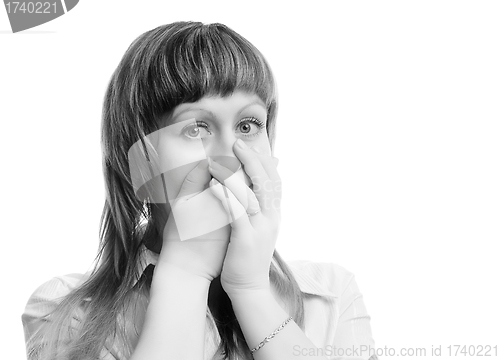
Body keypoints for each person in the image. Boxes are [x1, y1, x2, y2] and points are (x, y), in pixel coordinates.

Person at [22, 21, 377, 360]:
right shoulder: (64, 311)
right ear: (140, 162)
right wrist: (184, 273)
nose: (229, 154)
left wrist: (252, 292)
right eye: (196, 128)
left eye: (248, 125)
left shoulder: (331, 296)